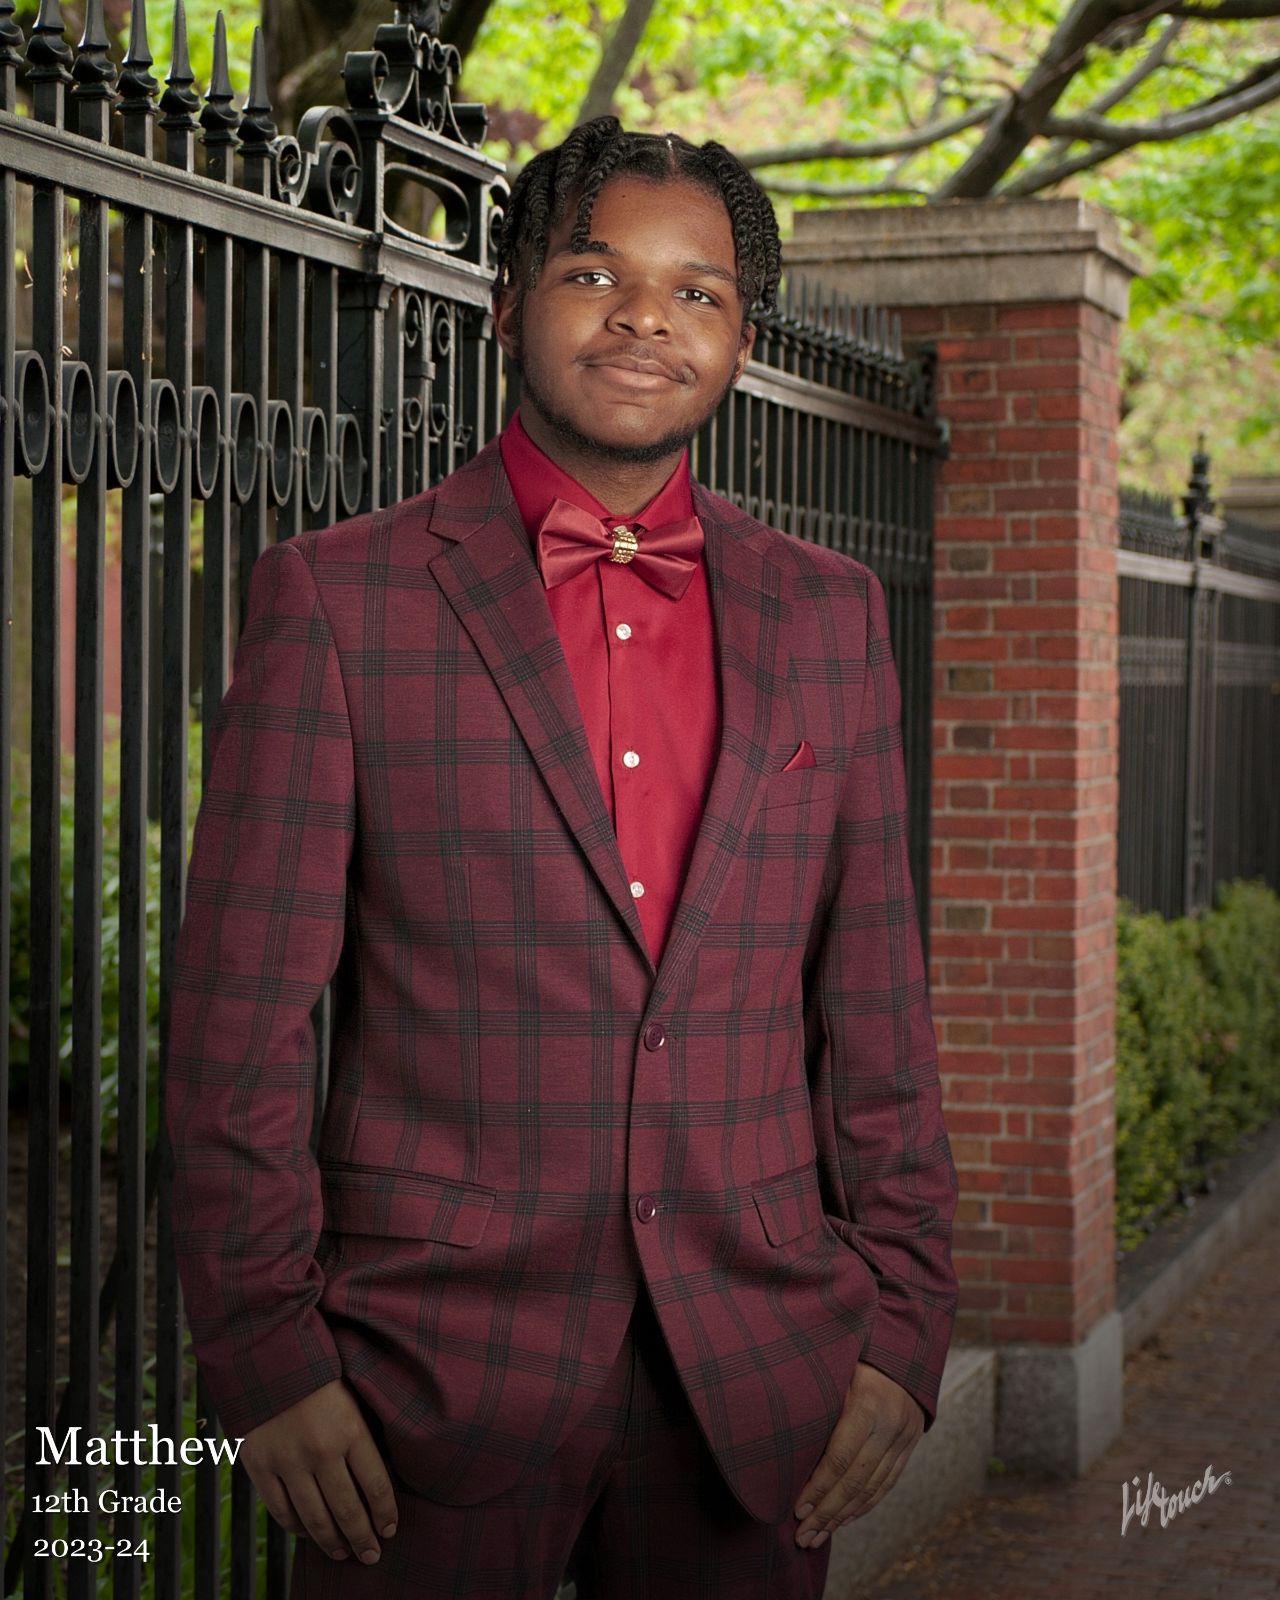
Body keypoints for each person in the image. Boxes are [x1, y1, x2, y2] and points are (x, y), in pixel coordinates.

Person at [166, 116, 959, 1600]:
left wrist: (907, 1330)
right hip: (419, 1381)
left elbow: (878, 1015)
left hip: (761, 1371)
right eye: (595, 271)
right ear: (508, 300)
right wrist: (268, 1358)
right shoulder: (339, 604)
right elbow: (237, 1027)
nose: (647, 315)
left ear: (740, 341)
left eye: (698, 291)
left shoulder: (832, 616)